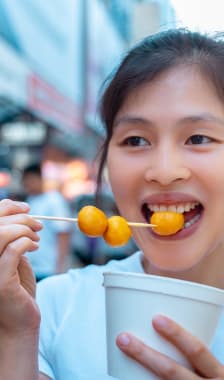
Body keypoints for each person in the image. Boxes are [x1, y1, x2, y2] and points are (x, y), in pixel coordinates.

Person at [2, 28, 224, 380]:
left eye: (198, 138)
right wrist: (14, 336)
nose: (164, 172)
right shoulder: (49, 309)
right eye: (135, 140)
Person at [22, 162, 72, 281]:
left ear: (40, 179)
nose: (27, 184)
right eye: (25, 181)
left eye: (30, 180)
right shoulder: (30, 200)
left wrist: (60, 268)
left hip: (49, 269)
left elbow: (63, 233)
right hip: (31, 269)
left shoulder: (54, 200)